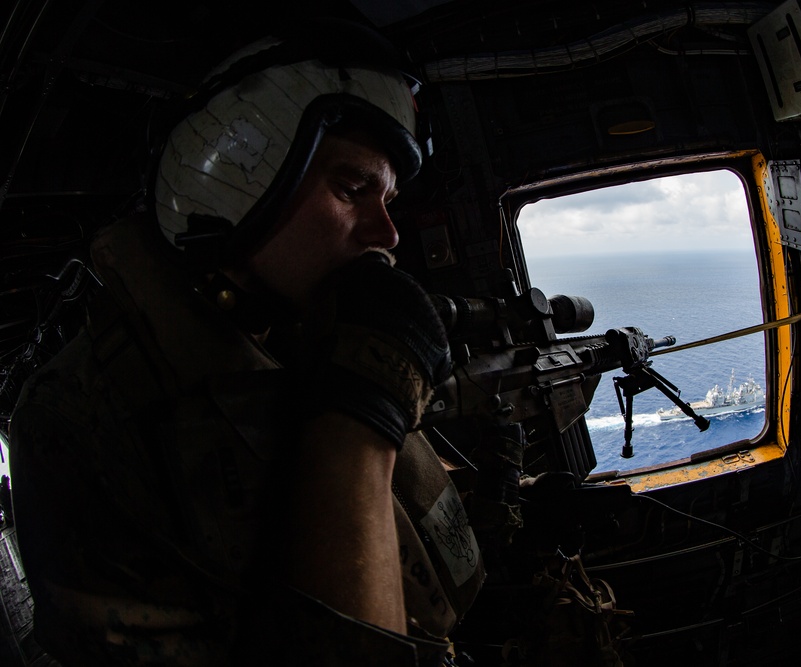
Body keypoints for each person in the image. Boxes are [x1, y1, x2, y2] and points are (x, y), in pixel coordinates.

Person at [8, 18, 484, 666]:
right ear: (232, 181)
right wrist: (358, 422)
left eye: (390, 199)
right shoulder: (78, 415)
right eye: (352, 189)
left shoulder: (294, 339)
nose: (388, 232)